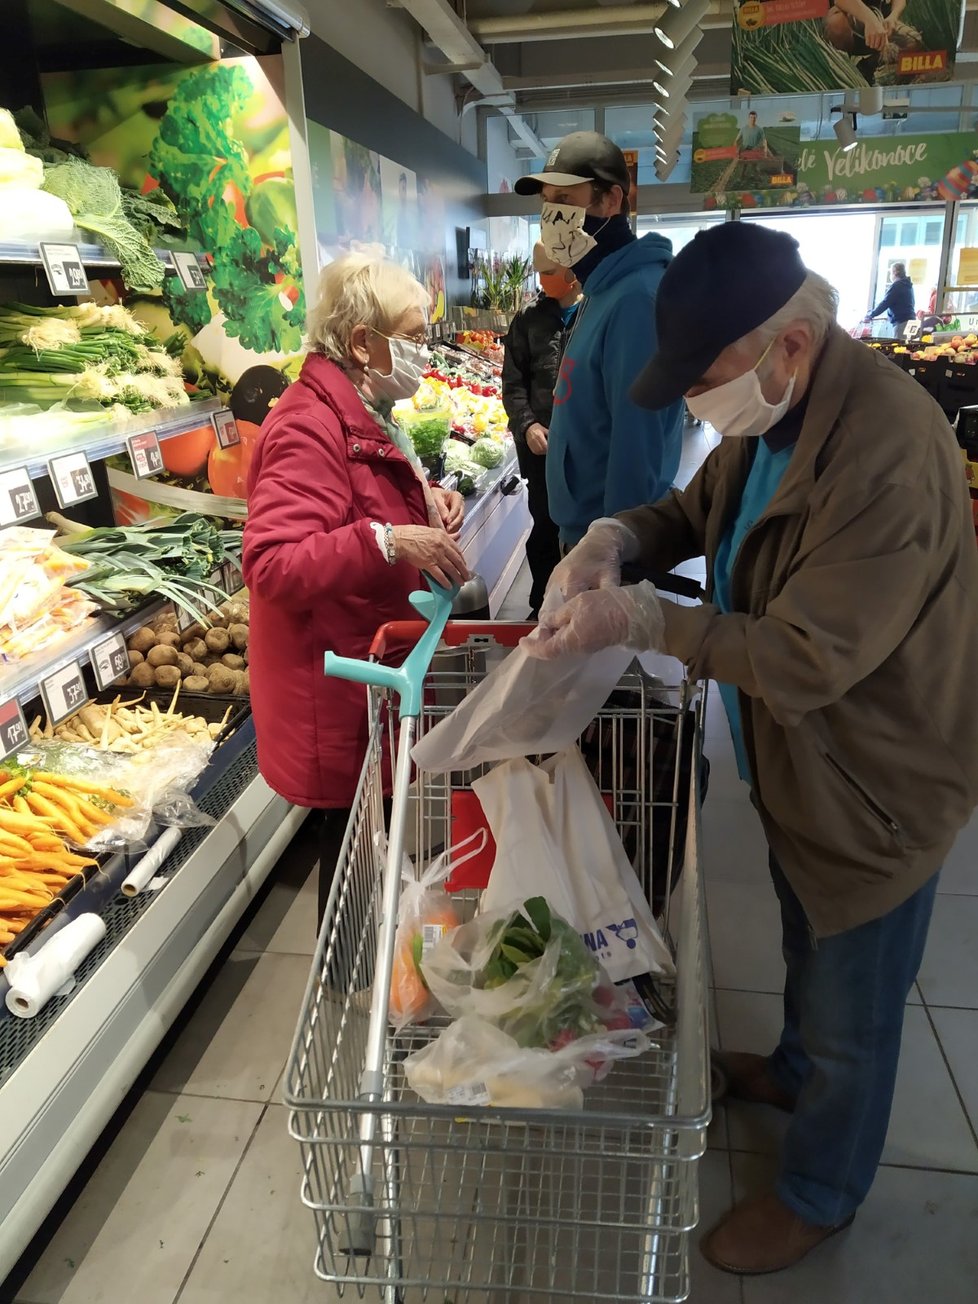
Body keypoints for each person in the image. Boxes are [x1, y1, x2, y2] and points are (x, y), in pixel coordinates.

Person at [524, 223, 978, 1275]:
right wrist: (616, 539)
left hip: (879, 782)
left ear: (791, 343)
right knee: (805, 937)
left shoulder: (889, 455)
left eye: (706, 379)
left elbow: (806, 657)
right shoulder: (778, 412)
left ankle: (823, 1187)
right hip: (803, 761)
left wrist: (638, 622)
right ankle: (790, 1061)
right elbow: (694, 508)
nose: (698, 406)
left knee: (856, 992)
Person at [243, 253, 468, 921]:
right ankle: (352, 989)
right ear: (363, 341)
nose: (422, 352)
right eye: (412, 335)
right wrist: (390, 540)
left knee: (368, 844)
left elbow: (356, 501)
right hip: (332, 683)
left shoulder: (354, 405)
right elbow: (273, 562)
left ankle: (376, 975)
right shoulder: (306, 424)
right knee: (350, 857)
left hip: (362, 671)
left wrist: (427, 504)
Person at [514, 132, 684, 550]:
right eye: (547, 202)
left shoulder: (635, 301)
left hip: (605, 541)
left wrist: (613, 551)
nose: (552, 216)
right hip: (584, 529)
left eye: (566, 201)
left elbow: (637, 444)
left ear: (610, 200)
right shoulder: (602, 290)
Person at [501, 243, 582, 617]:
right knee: (545, 522)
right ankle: (542, 602)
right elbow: (512, 383)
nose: (541, 279)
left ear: (571, 270)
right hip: (538, 445)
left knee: (587, 524)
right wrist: (527, 424)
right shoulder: (528, 319)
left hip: (584, 444)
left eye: (549, 271)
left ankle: (582, 603)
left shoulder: (595, 314)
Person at [866, 260, 916, 333]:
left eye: (891, 272)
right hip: (912, 321)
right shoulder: (908, 285)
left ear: (895, 272)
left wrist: (871, 315)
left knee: (900, 344)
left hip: (902, 323)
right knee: (910, 343)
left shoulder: (897, 285)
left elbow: (885, 302)